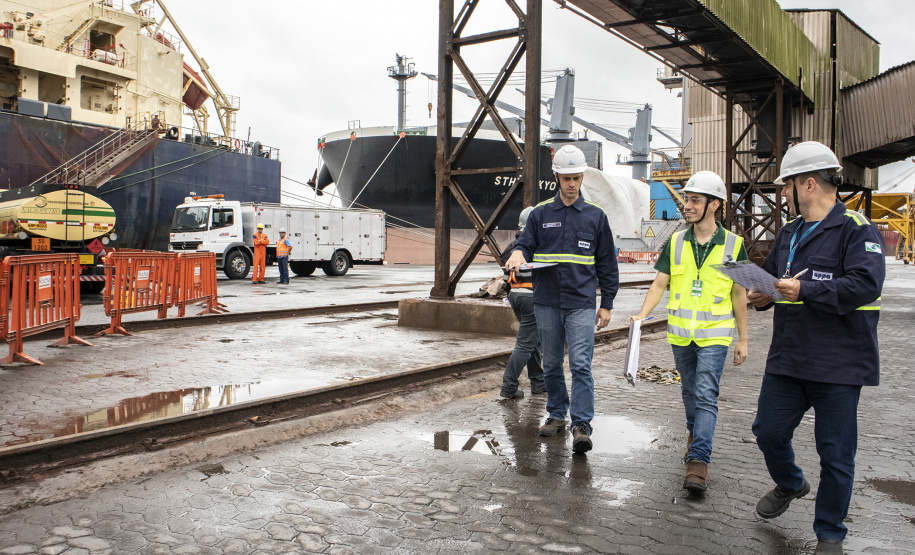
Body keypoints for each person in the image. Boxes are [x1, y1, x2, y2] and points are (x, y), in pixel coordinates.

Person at [747, 141, 884, 555]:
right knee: (767, 432)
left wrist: (805, 289)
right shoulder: (789, 232)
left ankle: (830, 534)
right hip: (788, 359)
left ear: (807, 184)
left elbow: (865, 284)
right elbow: (775, 281)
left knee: (835, 454)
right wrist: (762, 295)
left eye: (786, 186)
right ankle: (791, 483)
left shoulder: (856, 229)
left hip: (839, 364)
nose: (783, 194)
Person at [630, 170, 749, 493]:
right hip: (681, 335)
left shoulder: (734, 245)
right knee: (689, 392)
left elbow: (739, 294)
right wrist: (642, 315)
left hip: (715, 334)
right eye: (687, 199)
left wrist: (743, 339)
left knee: (706, 394)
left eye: (695, 200)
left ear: (714, 205)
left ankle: (698, 460)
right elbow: (660, 283)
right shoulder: (676, 242)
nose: (688, 205)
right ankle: (695, 433)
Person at [505, 144, 619, 454]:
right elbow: (524, 244)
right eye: (566, 178)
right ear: (557, 177)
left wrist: (607, 304)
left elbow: (607, 264)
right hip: (547, 301)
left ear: (582, 178)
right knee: (553, 363)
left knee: (581, 364)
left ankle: (581, 424)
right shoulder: (541, 214)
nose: (571, 184)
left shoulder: (596, 216)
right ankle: (557, 414)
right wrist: (519, 252)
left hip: (581, 302)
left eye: (576, 178)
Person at [499, 206, 546, 400]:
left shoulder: (513, 247)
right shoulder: (537, 243)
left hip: (515, 296)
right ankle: (509, 386)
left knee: (533, 341)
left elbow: (505, 274)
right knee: (526, 344)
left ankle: (538, 382)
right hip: (531, 296)